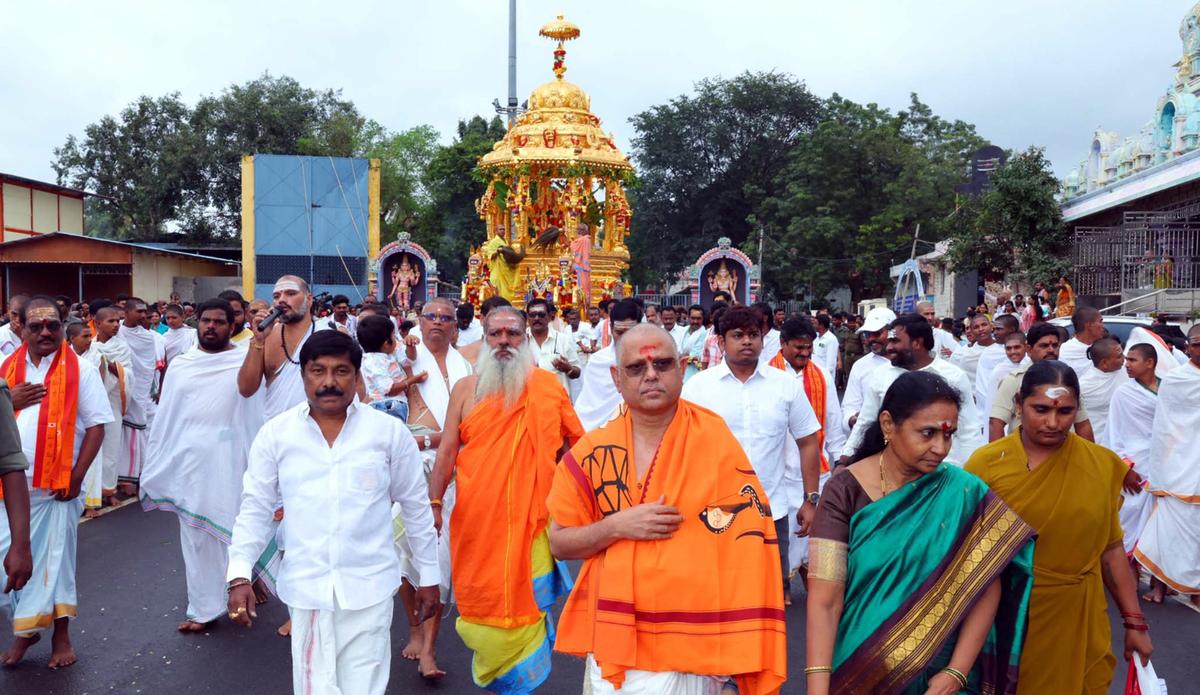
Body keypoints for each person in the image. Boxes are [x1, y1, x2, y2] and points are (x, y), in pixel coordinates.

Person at [548, 324, 787, 694]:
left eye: (662, 364)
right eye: (636, 368)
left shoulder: (713, 439)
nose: (651, 375)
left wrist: (731, 673)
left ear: (681, 368)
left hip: (703, 645)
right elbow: (560, 543)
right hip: (623, 644)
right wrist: (617, 527)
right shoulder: (593, 452)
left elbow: (747, 546)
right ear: (616, 377)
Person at [225, 331, 441, 695]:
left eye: (341, 371)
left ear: (357, 377)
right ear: (304, 376)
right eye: (317, 371)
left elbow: (417, 508)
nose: (328, 382)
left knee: (365, 688)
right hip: (307, 591)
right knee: (315, 689)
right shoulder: (277, 434)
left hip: (370, 588)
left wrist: (429, 577)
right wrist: (239, 575)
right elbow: (256, 508)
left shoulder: (387, 433)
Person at [807, 372, 1034, 695]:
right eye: (927, 433)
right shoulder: (844, 491)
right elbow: (824, 602)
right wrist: (817, 688)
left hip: (939, 676)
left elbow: (986, 585)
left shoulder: (964, 492)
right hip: (861, 669)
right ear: (888, 424)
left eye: (948, 435)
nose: (940, 448)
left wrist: (957, 671)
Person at [966, 360, 1152, 693]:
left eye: (1065, 412)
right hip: (1009, 617)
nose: (1053, 423)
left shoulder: (1101, 464)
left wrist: (1135, 622)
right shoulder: (986, 465)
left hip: (1080, 616)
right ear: (1018, 404)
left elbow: (1111, 549)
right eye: (1040, 409)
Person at [427, 306, 584, 692]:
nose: (503, 342)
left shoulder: (549, 387)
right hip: (477, 521)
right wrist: (432, 504)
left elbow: (577, 449)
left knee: (526, 604)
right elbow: (447, 450)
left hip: (533, 522)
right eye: (495, 335)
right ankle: (497, 670)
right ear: (483, 337)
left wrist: (571, 502)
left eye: (512, 334)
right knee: (482, 602)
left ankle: (523, 683)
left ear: (524, 337)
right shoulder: (465, 390)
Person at [140, 299, 273, 632]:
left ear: (232, 326)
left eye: (218, 321)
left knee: (237, 524)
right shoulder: (183, 364)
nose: (210, 327)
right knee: (196, 535)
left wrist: (258, 343)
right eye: (205, 320)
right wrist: (160, 457)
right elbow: (168, 416)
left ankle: (244, 578)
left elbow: (252, 399)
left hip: (233, 456)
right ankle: (202, 609)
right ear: (196, 322)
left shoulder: (245, 359)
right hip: (191, 460)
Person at [684, 306, 822, 605]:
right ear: (721, 342)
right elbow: (680, 447)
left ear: (763, 339)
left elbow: (809, 441)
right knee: (716, 597)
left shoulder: (785, 385)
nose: (747, 341)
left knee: (769, 597)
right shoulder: (697, 388)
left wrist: (811, 499)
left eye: (753, 335)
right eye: (737, 335)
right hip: (712, 512)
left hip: (771, 512)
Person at [0, 297, 110, 668]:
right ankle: (27, 628)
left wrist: (77, 477)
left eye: (53, 326)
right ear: (22, 329)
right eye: (36, 326)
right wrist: (7, 398)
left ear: (63, 326)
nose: (45, 332)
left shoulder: (81, 369)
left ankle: (60, 637)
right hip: (8, 487)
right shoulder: (6, 369)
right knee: (6, 562)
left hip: (57, 488)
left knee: (56, 563)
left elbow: (97, 426)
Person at [396, 296, 472, 677]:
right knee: (407, 556)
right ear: (419, 321)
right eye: (432, 317)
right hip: (410, 474)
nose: (439, 323)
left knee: (441, 562)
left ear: (455, 326)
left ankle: (429, 649)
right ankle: (412, 629)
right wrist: (432, 440)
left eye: (446, 318)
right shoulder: (402, 356)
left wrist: (441, 439)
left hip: (455, 476)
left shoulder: (467, 366)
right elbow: (380, 404)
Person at [842, 314, 983, 466]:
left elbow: (969, 431)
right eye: (889, 341)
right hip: (893, 472)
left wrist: (969, 474)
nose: (889, 347)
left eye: (895, 341)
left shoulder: (953, 376)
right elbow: (865, 422)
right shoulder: (881, 375)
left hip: (942, 471)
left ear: (917, 343)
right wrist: (845, 459)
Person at [768, 319, 846, 589]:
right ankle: (782, 586)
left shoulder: (821, 375)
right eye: (798, 348)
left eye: (809, 349)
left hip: (816, 469)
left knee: (814, 536)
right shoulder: (767, 374)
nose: (804, 354)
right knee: (783, 534)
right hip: (778, 469)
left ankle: (814, 586)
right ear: (783, 344)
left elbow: (833, 418)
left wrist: (840, 460)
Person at [1134, 324, 1200, 606]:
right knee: (1168, 531)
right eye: (1197, 343)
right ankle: (1160, 588)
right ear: (1188, 347)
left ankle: (1195, 592)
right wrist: (1165, 467)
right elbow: (1165, 428)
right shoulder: (1175, 380)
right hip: (1178, 466)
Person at [988, 323, 1096, 443]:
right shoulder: (1015, 380)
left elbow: (1082, 424)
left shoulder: (1066, 379)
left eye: (1055, 345)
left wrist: (1090, 459)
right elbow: (996, 423)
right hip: (1025, 456)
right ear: (1029, 350)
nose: (1051, 350)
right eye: (1044, 346)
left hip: (1065, 455)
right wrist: (1000, 459)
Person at [238, 276, 318, 421]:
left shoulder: (331, 332)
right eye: (276, 296)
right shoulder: (266, 336)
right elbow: (246, 389)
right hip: (276, 432)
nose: (281, 300)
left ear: (309, 300)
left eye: (291, 293)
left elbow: (357, 390)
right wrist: (258, 340)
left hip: (320, 432)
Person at [1108, 344, 1160, 558]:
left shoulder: (1169, 389)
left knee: (1159, 526)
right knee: (1127, 520)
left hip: (1163, 466)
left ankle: (1159, 587)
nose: (1126, 365)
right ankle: (1129, 576)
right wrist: (1125, 468)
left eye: (1132, 360)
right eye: (1126, 360)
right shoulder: (1123, 393)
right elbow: (1114, 432)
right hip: (1135, 466)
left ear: (1150, 363)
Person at [574, 299, 642, 431]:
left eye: (630, 332)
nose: (624, 338)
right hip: (598, 435)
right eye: (620, 332)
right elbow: (587, 406)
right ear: (611, 329)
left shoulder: (650, 361)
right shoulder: (597, 361)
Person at [117, 298, 158, 491]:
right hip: (118, 391)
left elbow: (146, 367)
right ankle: (119, 478)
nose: (144, 316)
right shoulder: (116, 333)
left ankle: (134, 476)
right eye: (139, 312)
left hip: (139, 392)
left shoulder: (148, 337)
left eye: (145, 312)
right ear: (126, 312)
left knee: (137, 433)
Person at [357, 314, 423, 422]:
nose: (396, 339)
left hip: (395, 404)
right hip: (386, 406)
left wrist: (410, 345)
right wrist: (413, 380)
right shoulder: (372, 362)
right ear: (386, 343)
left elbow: (409, 360)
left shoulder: (389, 354)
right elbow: (389, 390)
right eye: (393, 336)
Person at [841, 307, 895, 436]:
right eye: (867, 334)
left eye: (876, 333)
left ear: (892, 332)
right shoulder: (861, 366)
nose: (870, 339)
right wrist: (852, 419)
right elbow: (849, 406)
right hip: (870, 440)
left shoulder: (909, 364)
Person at [525, 298, 581, 394]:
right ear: (527, 317)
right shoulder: (520, 340)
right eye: (532, 315)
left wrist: (568, 369)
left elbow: (577, 372)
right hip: (527, 402)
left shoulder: (563, 340)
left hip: (558, 401)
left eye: (541, 315)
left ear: (550, 317)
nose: (536, 318)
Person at [1077, 337, 1125, 448]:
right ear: (1104, 363)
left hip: (1123, 440)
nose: (1124, 358)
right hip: (1098, 442)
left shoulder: (1125, 371)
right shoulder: (1084, 386)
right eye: (1119, 356)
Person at [458, 296, 512, 366]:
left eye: (506, 319)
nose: (501, 324)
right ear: (482, 319)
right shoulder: (462, 355)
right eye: (495, 318)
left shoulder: (517, 354)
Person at [1059, 306, 1104, 378]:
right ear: (1089, 325)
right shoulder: (1066, 350)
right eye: (1100, 321)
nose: (1103, 326)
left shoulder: (1103, 349)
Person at [949, 314, 992, 386]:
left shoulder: (1003, 348)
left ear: (991, 327)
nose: (981, 329)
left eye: (984, 325)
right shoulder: (962, 353)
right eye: (976, 327)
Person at [679, 304, 708, 383]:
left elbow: (696, 356)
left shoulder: (705, 334)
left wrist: (682, 357)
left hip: (695, 375)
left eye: (698, 318)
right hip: (680, 375)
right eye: (693, 318)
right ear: (688, 317)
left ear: (702, 319)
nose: (695, 321)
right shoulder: (682, 332)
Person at [752, 302, 780, 369]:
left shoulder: (778, 337)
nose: (751, 317)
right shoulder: (750, 339)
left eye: (754, 314)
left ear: (765, 317)